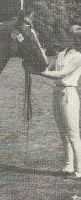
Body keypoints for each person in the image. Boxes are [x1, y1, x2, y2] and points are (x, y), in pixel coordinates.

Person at [41, 25, 81, 178]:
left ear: (76, 39)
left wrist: (40, 72)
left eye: (69, 35)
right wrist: (33, 62)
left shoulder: (78, 56)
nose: (65, 36)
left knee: (73, 133)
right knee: (63, 133)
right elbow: (48, 67)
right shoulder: (61, 53)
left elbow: (62, 74)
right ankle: (68, 166)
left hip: (69, 94)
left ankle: (79, 170)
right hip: (57, 93)